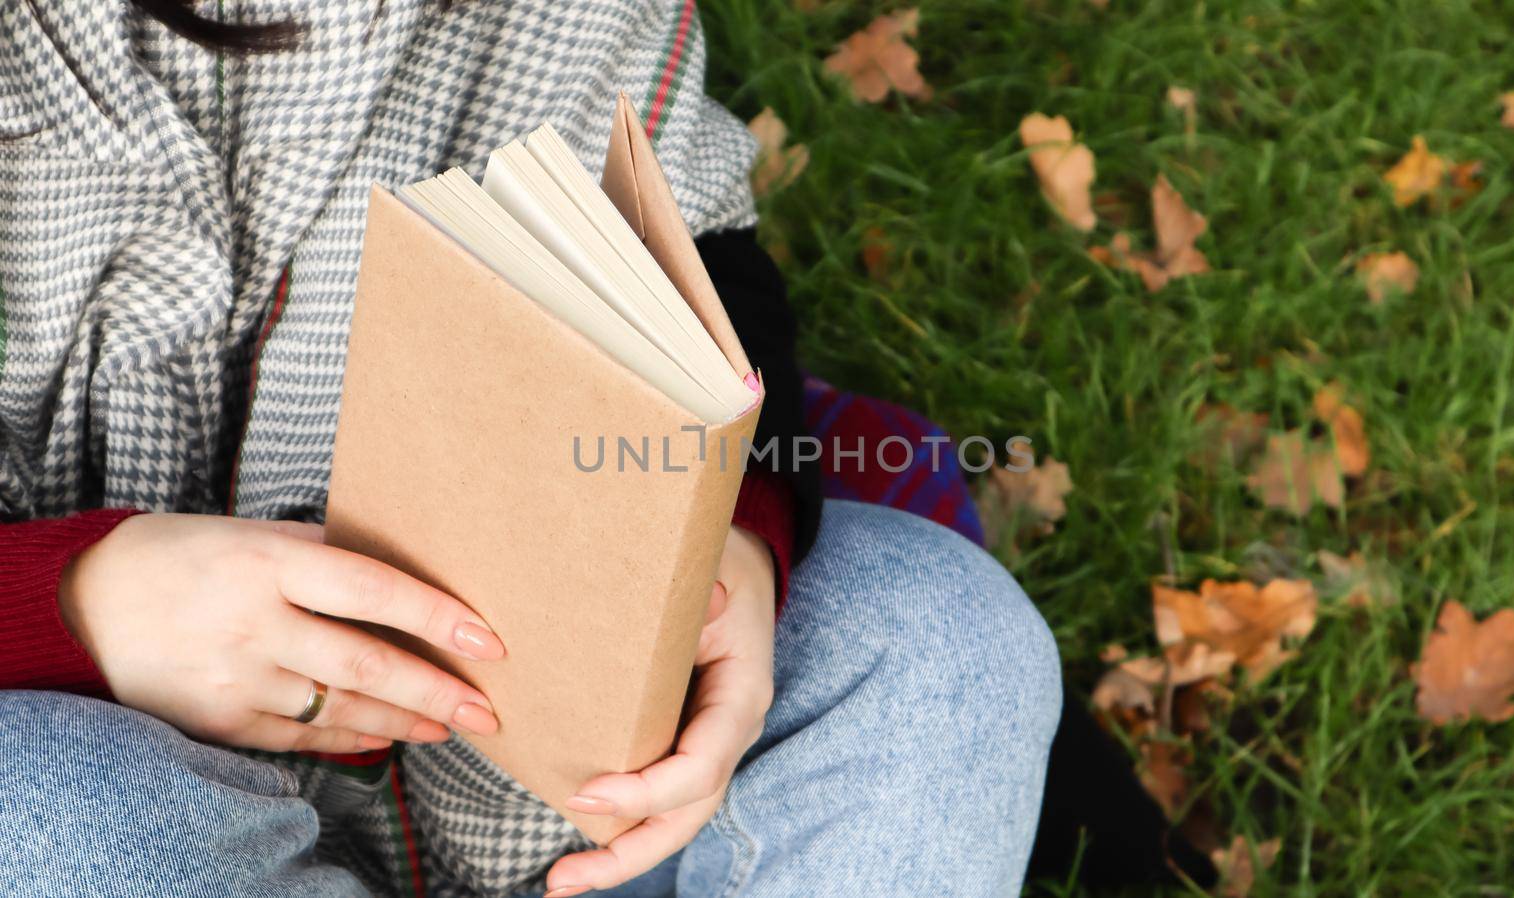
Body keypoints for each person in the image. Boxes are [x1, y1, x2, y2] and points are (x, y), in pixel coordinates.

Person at [0, 2, 1062, 896]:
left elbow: (698, 264)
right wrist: (70, 603)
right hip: (110, 788)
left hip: (557, 795)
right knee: (49, 810)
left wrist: (723, 537)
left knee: (935, 642)